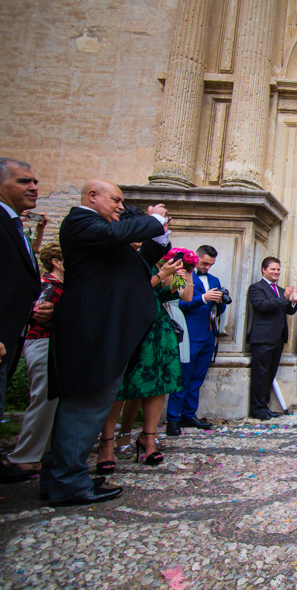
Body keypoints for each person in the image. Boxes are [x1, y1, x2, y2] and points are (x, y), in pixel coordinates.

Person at [44, 179, 169, 507]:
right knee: (86, 403)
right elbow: (119, 234)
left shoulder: (103, 234)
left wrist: (158, 232)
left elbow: (140, 261)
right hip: (93, 331)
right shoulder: (81, 221)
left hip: (104, 330)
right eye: (115, 200)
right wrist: (150, 218)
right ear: (92, 197)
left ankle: (58, 474)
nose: (119, 207)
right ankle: (68, 481)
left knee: (90, 402)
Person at [96, 254, 192, 471]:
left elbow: (166, 295)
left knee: (156, 383)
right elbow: (128, 291)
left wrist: (180, 276)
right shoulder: (119, 258)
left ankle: (148, 439)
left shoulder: (154, 261)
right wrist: (161, 275)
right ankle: (107, 444)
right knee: (118, 384)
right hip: (124, 322)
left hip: (156, 325)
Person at [0, 158, 52, 483]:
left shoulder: (15, 224)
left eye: (34, 181)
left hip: (12, 334)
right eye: (23, 181)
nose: (33, 187)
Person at [6, 243, 64, 472]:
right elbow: (38, 315)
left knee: (51, 400)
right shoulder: (46, 285)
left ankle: (45, 450)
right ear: (56, 262)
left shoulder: (61, 285)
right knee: (42, 397)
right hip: (41, 341)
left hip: (54, 343)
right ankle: (24, 456)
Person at [168, 245, 225, 436]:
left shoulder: (214, 280)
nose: (207, 267)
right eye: (204, 263)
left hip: (209, 334)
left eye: (210, 265)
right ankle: (173, 418)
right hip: (189, 334)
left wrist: (220, 300)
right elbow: (178, 303)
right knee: (182, 377)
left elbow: (218, 309)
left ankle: (189, 414)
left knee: (197, 378)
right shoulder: (182, 275)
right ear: (197, 258)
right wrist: (203, 298)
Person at [247, 257, 297, 421]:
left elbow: (287, 311)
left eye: (278, 269)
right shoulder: (256, 288)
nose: (276, 272)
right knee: (260, 374)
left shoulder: (280, 290)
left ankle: (265, 406)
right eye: (273, 269)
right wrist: (284, 298)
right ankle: (257, 409)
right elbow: (262, 306)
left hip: (277, 338)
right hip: (262, 338)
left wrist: (292, 302)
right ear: (263, 270)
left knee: (269, 374)